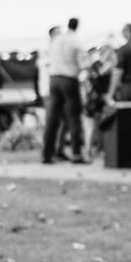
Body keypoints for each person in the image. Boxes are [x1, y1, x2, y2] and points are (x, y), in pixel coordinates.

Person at [41, 18, 86, 164]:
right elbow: (84, 62)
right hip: (68, 79)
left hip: (54, 80)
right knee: (74, 117)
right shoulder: (74, 40)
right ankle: (76, 154)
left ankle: (46, 154)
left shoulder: (53, 41)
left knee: (51, 119)